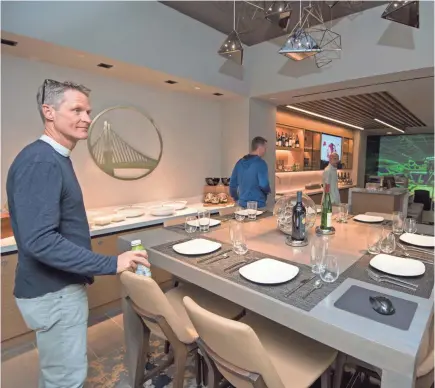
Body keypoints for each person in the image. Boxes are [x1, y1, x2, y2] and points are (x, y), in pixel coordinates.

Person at [6, 79, 150, 388]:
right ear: (49, 111)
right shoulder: (41, 160)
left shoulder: (53, 157)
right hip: (54, 293)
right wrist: (112, 263)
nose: (86, 118)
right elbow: (41, 241)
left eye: (88, 111)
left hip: (55, 289)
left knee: (59, 375)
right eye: (76, 109)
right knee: (66, 380)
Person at [229, 136, 271, 208]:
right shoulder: (261, 163)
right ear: (260, 148)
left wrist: (236, 199)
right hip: (258, 205)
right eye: (265, 148)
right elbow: (264, 184)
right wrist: (267, 192)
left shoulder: (239, 163)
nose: (265, 150)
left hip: (242, 204)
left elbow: (232, 184)